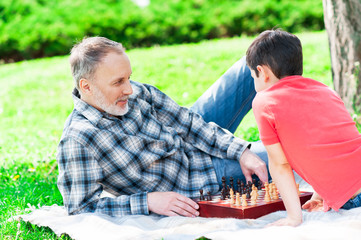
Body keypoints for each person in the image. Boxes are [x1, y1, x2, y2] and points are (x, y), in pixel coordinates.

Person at [56, 36, 269, 218]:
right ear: (86, 86)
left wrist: (240, 151)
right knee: (288, 151)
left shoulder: (132, 93)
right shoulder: (79, 140)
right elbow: (81, 209)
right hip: (201, 176)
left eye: (128, 78)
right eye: (118, 82)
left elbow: (186, 121)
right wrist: (147, 201)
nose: (130, 89)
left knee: (263, 54)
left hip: (189, 139)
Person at [247, 29, 361, 227]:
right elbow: (331, 147)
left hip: (353, 198)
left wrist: (294, 217)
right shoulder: (325, 91)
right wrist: (319, 195)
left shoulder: (264, 102)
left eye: (253, 77)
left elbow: (280, 165)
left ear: (262, 73)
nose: (254, 82)